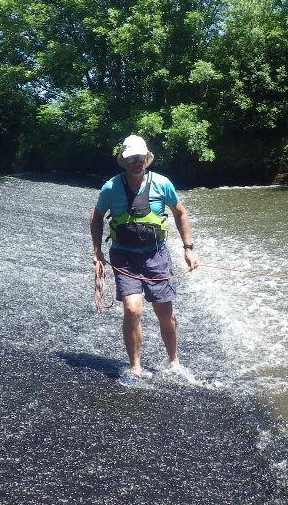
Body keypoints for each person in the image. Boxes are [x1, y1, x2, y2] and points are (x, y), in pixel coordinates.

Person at [90, 134, 198, 385]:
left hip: (156, 256)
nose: (136, 162)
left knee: (163, 311)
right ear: (124, 161)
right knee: (132, 309)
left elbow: (180, 212)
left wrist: (188, 248)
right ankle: (135, 367)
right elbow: (96, 217)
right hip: (124, 257)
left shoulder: (162, 184)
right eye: (131, 159)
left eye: (140, 157)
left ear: (147, 159)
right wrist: (97, 253)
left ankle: (173, 361)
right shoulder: (110, 187)